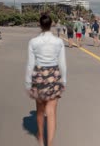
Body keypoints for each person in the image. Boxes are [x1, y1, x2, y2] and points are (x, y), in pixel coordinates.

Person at [25, 14, 67, 146]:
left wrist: (27, 82)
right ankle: (50, 143)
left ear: (40, 24)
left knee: (40, 110)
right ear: (52, 24)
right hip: (53, 74)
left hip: (38, 75)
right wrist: (63, 81)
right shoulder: (58, 42)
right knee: (52, 112)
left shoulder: (33, 42)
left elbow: (30, 64)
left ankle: (41, 138)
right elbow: (62, 64)